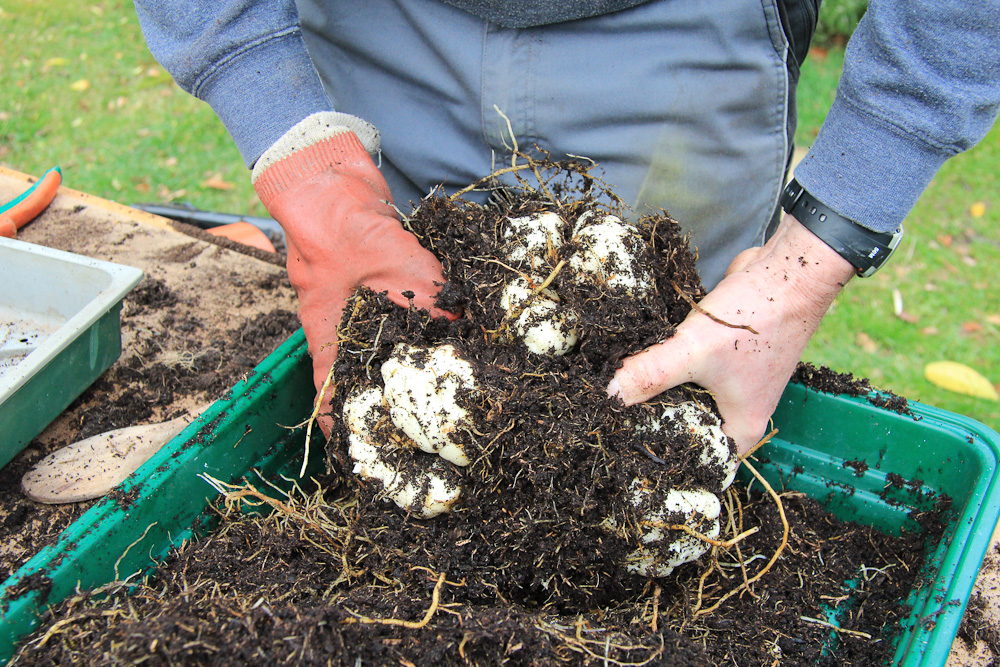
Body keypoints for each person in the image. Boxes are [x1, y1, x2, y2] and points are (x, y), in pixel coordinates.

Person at [133, 0, 1000, 454]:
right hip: (372, 21)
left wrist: (804, 267)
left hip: (695, 28)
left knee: (681, 391)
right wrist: (294, 148)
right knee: (398, 383)